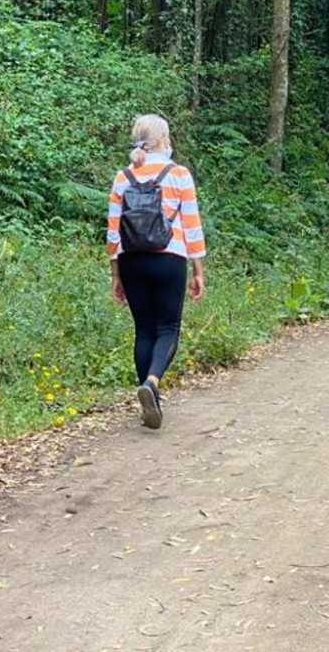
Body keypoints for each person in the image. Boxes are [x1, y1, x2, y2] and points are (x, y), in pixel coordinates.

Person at [107, 114, 206, 429]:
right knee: (167, 329)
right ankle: (152, 382)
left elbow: (112, 231)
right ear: (163, 140)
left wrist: (115, 273)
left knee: (144, 330)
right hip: (169, 258)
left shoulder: (123, 177)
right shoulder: (179, 174)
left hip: (132, 260)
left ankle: (151, 401)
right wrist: (198, 270)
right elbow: (191, 224)